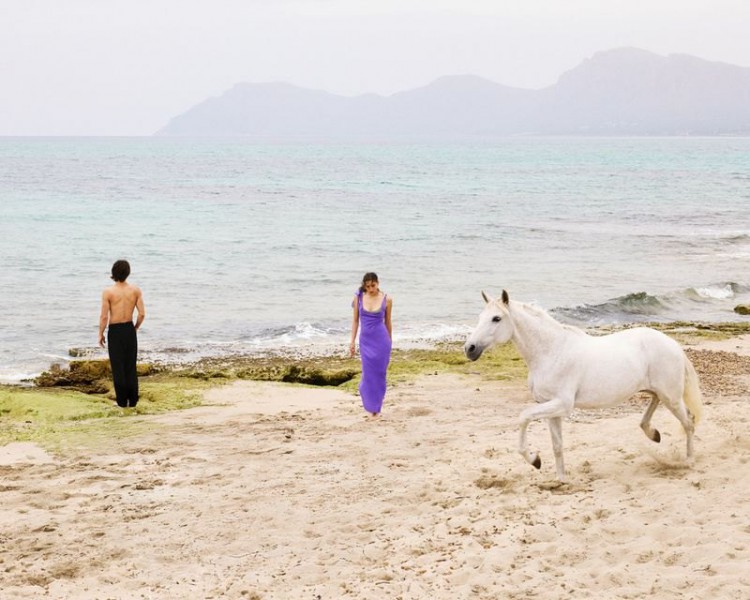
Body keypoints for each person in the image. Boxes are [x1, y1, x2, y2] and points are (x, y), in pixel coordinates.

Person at [98, 260, 146, 408]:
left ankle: (122, 402)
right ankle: (133, 401)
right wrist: (135, 327)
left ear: (113, 272)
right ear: (128, 273)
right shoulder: (135, 290)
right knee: (130, 366)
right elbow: (142, 314)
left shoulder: (108, 292)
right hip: (129, 329)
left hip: (115, 331)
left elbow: (104, 317)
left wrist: (101, 333)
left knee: (118, 367)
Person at [350, 272, 392, 416]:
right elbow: (355, 321)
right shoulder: (358, 298)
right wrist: (352, 341)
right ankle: (370, 405)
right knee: (368, 374)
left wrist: (390, 342)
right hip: (366, 341)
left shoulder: (387, 299)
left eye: (373, 285)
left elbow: (388, 322)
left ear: (378, 283)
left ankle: (376, 409)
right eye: (367, 286)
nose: (371, 289)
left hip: (382, 341)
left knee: (380, 374)